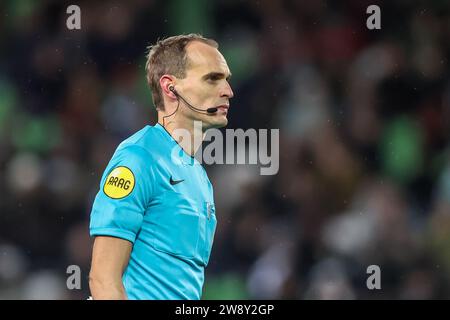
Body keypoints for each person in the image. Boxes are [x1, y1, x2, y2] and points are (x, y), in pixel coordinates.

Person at [88, 34, 234, 300]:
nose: (227, 90)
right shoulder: (139, 159)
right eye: (212, 78)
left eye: (226, 79)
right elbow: (103, 280)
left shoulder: (199, 177)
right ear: (170, 87)